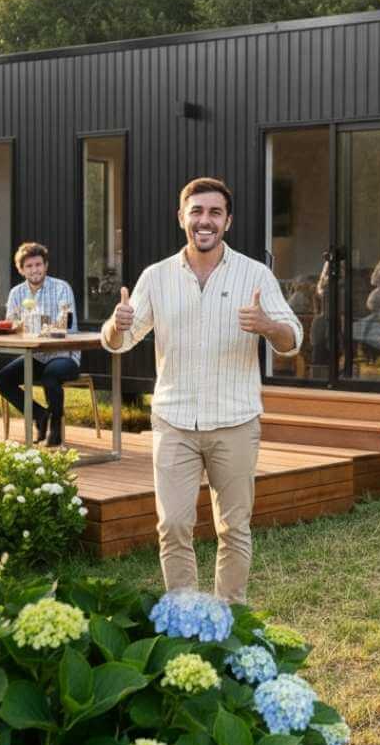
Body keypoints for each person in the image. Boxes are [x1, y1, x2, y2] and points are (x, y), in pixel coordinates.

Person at [101, 177, 303, 604]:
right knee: (173, 525)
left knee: (234, 528)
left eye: (214, 212)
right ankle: (184, 615)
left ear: (228, 221)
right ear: (182, 217)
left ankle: (230, 616)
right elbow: (121, 340)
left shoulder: (255, 274)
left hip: (235, 421)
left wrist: (268, 326)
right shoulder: (156, 276)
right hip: (174, 421)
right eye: (196, 211)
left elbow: (292, 339)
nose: (205, 220)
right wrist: (116, 325)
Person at [0, 242, 79, 448]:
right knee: (2, 380)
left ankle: (55, 427)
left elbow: (66, 324)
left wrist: (36, 325)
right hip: (35, 356)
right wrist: (15, 326)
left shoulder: (61, 288)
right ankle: (40, 415)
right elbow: (12, 324)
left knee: (51, 376)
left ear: (45, 265)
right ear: (21, 269)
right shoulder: (17, 293)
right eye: (29, 266)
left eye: (38, 264)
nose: (35, 270)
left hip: (63, 355)